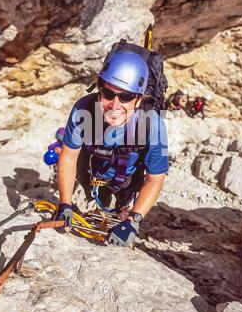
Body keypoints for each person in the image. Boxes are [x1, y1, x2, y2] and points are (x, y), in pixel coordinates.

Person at [54, 49, 169, 247]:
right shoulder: (83, 110)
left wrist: (133, 221)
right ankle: (101, 206)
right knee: (101, 201)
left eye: (126, 97)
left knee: (123, 204)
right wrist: (65, 203)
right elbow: (68, 157)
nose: (115, 105)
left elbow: (155, 178)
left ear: (139, 100)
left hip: (127, 180)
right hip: (91, 173)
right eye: (108, 93)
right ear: (99, 89)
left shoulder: (153, 125)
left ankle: (122, 210)